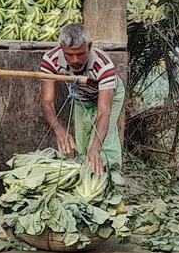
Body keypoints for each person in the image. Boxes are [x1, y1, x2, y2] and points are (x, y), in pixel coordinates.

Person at [38, 23, 124, 176]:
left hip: (109, 95)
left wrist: (96, 148)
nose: (75, 60)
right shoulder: (50, 60)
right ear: (61, 47)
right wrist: (59, 130)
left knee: (103, 142)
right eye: (69, 54)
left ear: (89, 46)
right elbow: (47, 101)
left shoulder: (103, 65)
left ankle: (111, 175)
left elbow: (104, 112)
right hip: (81, 96)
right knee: (82, 142)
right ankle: (84, 175)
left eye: (81, 54)